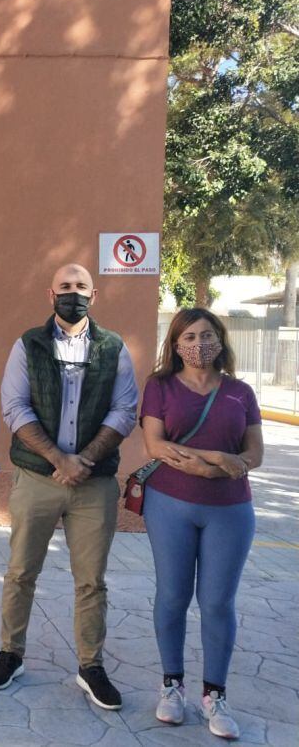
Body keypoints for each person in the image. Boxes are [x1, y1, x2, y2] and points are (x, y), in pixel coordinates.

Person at [0, 262, 138, 710]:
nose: (73, 294)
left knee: (91, 581)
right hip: (38, 477)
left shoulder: (113, 348)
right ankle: (10, 654)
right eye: (65, 287)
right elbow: (14, 407)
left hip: (94, 483)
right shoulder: (28, 344)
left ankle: (91, 665)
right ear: (50, 296)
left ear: (95, 295)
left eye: (81, 287)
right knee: (20, 573)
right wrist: (58, 459)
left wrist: (84, 460)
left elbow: (124, 409)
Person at [140, 308, 262, 740]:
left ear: (221, 341)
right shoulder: (160, 387)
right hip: (170, 503)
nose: (198, 344)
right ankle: (172, 685)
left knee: (216, 603)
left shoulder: (240, 392)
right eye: (188, 336)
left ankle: (215, 694)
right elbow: (155, 444)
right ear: (175, 345)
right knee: (172, 595)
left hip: (230, 509)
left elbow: (254, 455)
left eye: (207, 335)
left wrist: (231, 466)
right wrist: (214, 462)